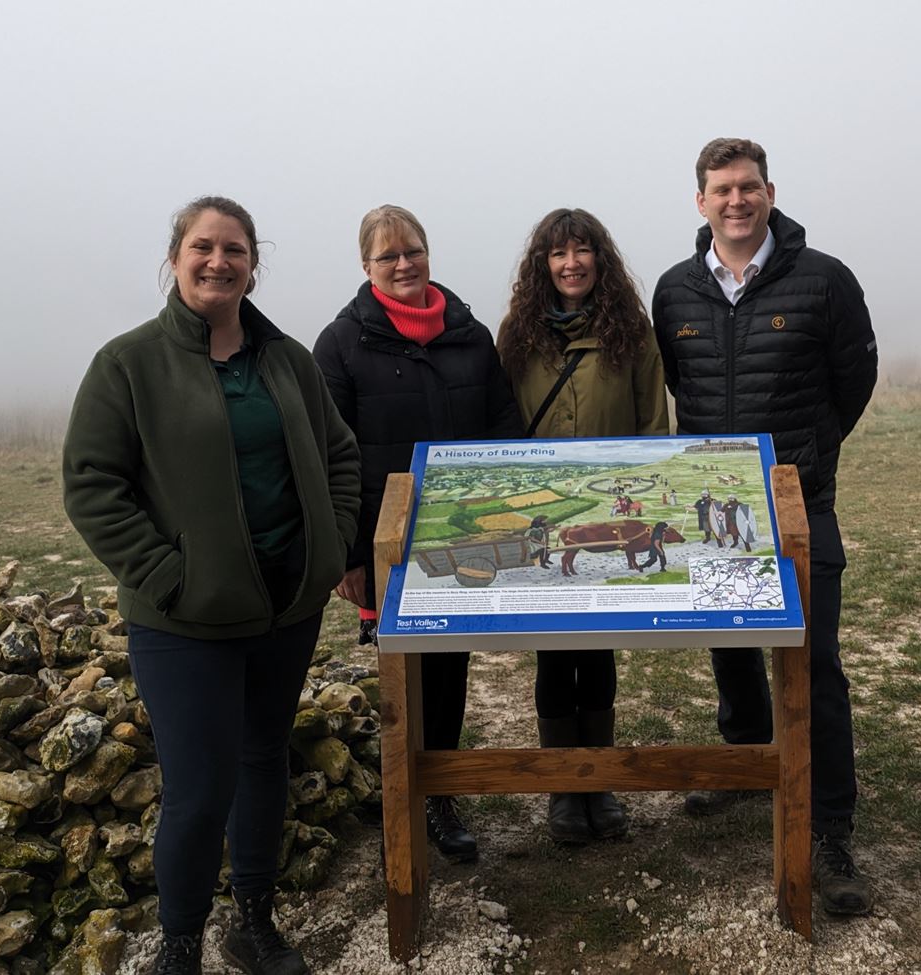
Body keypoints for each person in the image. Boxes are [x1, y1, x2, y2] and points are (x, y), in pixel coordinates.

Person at [62, 196, 360, 975]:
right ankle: (181, 942)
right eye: (203, 246)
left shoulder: (287, 359)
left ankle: (253, 923)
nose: (218, 261)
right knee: (198, 787)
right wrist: (169, 576)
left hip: (285, 609)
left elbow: (340, 452)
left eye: (235, 249)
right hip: (183, 622)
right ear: (176, 257)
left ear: (253, 263)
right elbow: (93, 485)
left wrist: (328, 545)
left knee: (264, 761)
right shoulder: (127, 364)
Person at [653, 138, 878, 915]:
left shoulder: (825, 282)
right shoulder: (675, 290)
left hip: (797, 504)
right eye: (721, 189)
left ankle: (830, 828)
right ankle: (744, 762)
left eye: (748, 187)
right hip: (716, 509)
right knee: (731, 643)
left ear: (770, 192)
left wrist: (808, 454)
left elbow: (855, 379)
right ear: (701, 200)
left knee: (815, 664)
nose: (736, 201)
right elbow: (678, 384)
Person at [313, 205, 522, 864]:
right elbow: (329, 458)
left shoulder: (469, 334)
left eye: (413, 251)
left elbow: (505, 431)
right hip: (386, 545)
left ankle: (440, 798)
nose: (404, 265)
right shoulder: (341, 343)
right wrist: (347, 557)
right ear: (367, 267)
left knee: (450, 672)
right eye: (388, 256)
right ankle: (400, 794)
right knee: (402, 679)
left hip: (462, 543)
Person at [497, 207, 669, 844]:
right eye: (558, 253)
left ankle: (598, 780)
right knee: (554, 651)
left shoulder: (633, 332)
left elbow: (654, 425)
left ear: (600, 258)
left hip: (613, 515)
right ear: (542, 265)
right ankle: (563, 790)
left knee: (597, 647)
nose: (571, 263)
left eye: (582, 250)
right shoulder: (516, 335)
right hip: (550, 520)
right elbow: (502, 427)